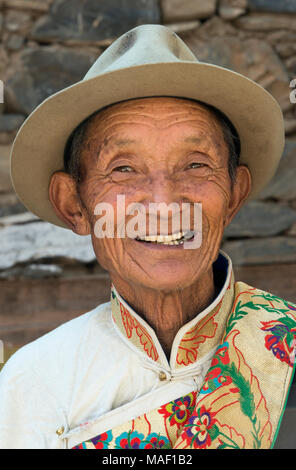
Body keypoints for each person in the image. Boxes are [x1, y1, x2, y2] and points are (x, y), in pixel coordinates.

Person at [0, 24, 295, 449]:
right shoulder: (34, 383)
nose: (163, 202)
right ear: (74, 205)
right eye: (123, 169)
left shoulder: (286, 346)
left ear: (233, 195)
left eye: (195, 164)